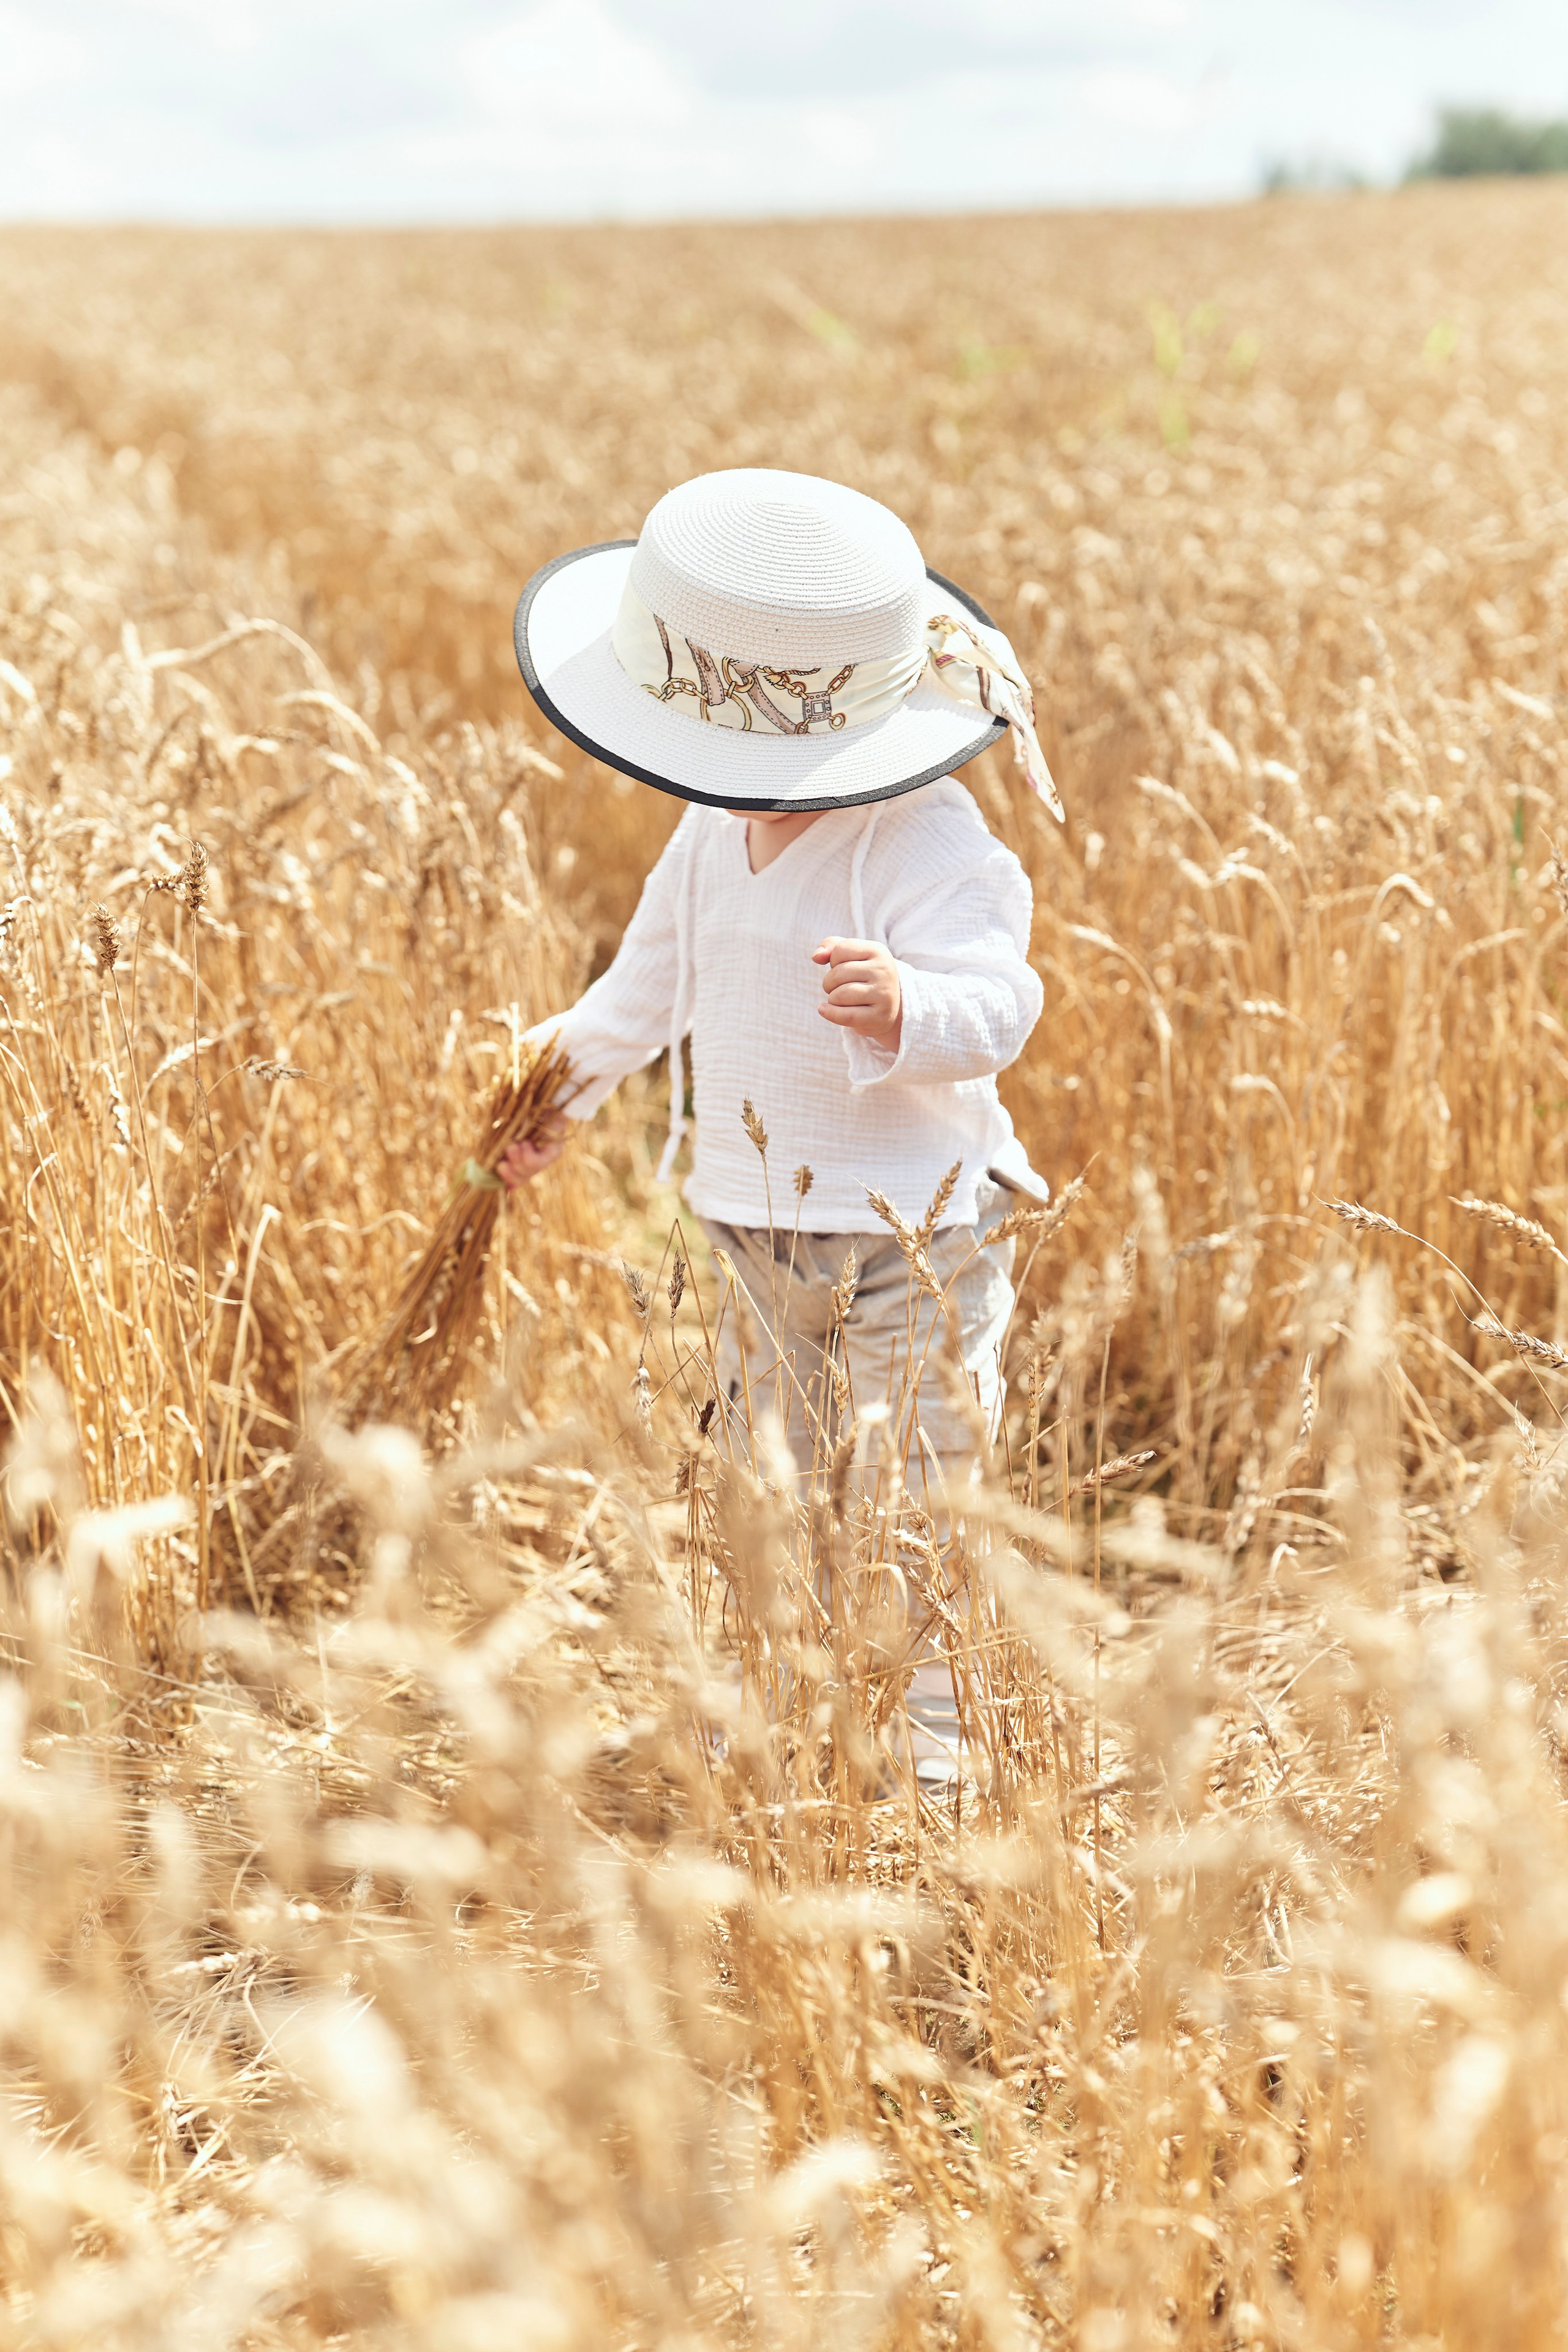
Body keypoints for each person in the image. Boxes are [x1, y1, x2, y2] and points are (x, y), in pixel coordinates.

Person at [501, 468, 1059, 1502]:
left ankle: (928, 1675)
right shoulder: (713, 827)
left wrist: (910, 1004)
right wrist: (552, 1093)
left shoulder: (925, 835)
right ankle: (789, 1666)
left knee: (913, 1492)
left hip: (917, 1237)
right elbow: (647, 986)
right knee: (773, 1490)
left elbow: (1004, 999)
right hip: (755, 1230)